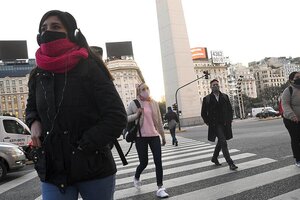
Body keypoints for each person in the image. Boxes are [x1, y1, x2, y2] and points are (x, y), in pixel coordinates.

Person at [25, 10, 127, 200]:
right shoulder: (37, 74)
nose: (48, 31)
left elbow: (116, 116)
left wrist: (82, 147)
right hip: (54, 170)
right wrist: (33, 123)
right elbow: (31, 108)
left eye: (56, 27)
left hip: (93, 165)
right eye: (44, 28)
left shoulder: (90, 67)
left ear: (72, 33)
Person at [126, 83, 169, 198]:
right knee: (143, 162)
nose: (146, 91)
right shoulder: (134, 104)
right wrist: (136, 115)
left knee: (158, 161)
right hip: (140, 138)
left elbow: (159, 121)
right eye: (143, 89)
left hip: (154, 136)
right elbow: (125, 118)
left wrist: (162, 136)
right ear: (138, 92)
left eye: (147, 88)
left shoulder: (154, 103)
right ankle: (136, 176)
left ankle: (160, 188)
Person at [201, 79, 238, 170]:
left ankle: (214, 158)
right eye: (213, 85)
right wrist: (208, 122)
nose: (215, 86)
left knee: (221, 142)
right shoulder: (207, 99)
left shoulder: (225, 96)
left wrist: (230, 119)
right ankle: (230, 163)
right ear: (210, 87)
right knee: (223, 142)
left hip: (225, 123)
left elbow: (230, 109)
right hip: (215, 125)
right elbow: (203, 113)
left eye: (217, 84)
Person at [282, 71, 300, 167]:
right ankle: (298, 159)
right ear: (291, 80)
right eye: (297, 77)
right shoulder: (288, 90)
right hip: (291, 120)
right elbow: (285, 104)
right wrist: (293, 116)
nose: (299, 78)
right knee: (296, 139)